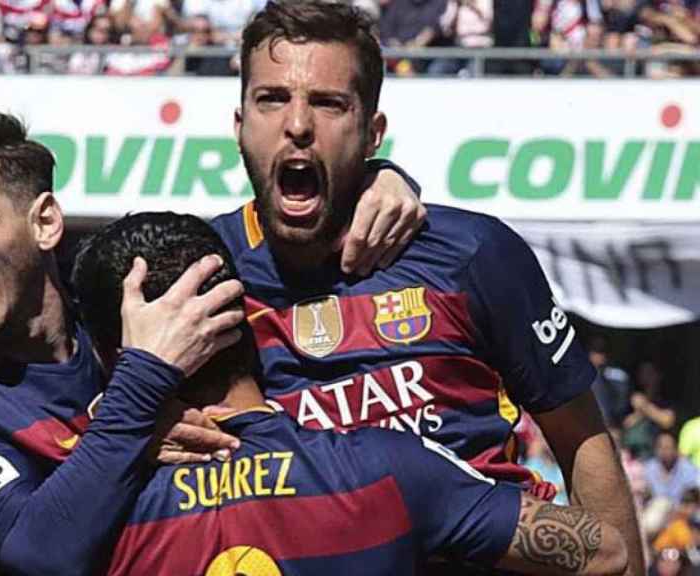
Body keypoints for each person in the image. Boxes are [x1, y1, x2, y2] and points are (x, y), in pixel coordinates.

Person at [0, 109, 424, 574]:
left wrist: (379, 183)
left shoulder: (121, 295)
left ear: (45, 222)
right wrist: (138, 402)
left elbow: (282, 235)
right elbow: (37, 555)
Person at [207, 1, 645, 573]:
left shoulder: (473, 253)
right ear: (239, 125)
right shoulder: (202, 276)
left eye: (329, 103)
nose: (297, 125)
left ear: (372, 134)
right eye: (271, 99)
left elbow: (581, 438)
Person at [72, 210, 628, 576]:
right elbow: (606, 552)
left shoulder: (90, 509)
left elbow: (27, 549)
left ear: (108, 356)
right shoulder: (388, 469)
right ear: (248, 320)